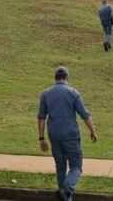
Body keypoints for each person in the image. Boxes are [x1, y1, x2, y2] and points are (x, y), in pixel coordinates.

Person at [38, 66, 97, 201]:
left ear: (55, 78)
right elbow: (84, 115)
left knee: (60, 167)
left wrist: (41, 138)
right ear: (67, 78)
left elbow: (41, 117)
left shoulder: (46, 94)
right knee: (76, 166)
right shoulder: (73, 93)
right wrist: (93, 131)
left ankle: (65, 196)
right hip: (70, 134)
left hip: (54, 135)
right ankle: (67, 188)